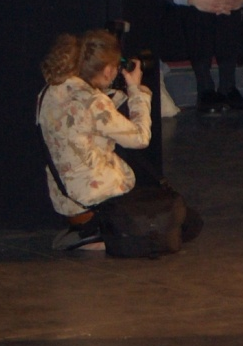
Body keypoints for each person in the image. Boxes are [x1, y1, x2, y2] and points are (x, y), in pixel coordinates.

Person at [34, 29, 159, 253]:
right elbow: (141, 138)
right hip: (92, 197)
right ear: (109, 70)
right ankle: (101, 234)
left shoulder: (49, 91)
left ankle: (88, 232)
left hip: (65, 196)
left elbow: (83, 117)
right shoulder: (94, 102)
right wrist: (136, 91)